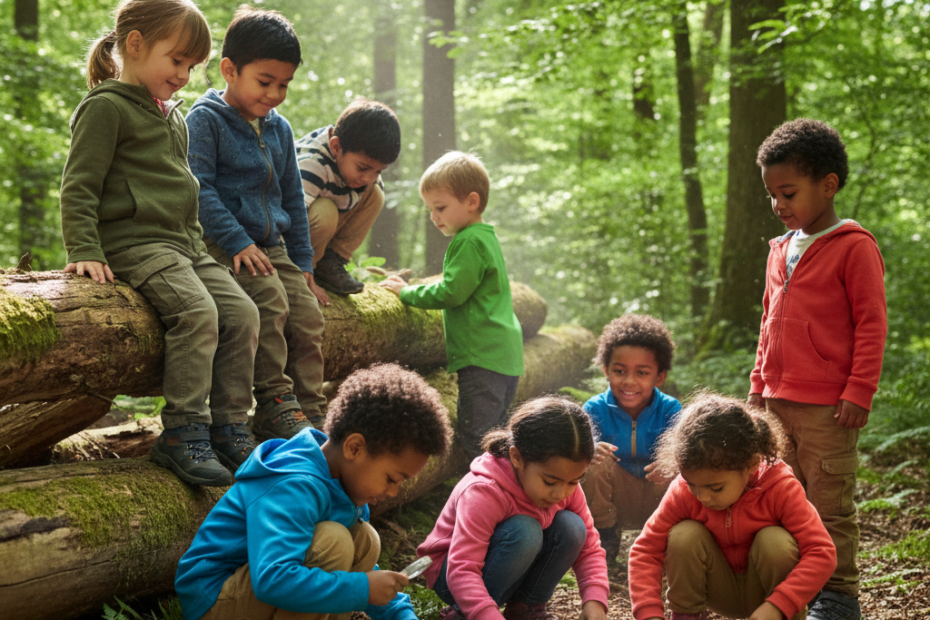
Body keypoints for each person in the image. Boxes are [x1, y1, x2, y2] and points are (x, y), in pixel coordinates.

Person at [60, 0, 260, 486]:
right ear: (135, 44)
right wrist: (84, 248)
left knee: (243, 314)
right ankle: (183, 432)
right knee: (197, 314)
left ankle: (230, 425)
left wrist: (198, 248)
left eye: (192, 66)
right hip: (135, 243)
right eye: (176, 61)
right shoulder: (106, 107)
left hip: (184, 246)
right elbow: (79, 184)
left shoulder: (173, 115)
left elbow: (183, 190)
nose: (184, 75)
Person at [175, 363, 453, 620]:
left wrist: (398, 613)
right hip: (213, 598)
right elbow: (273, 580)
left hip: (254, 587)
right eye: (392, 478)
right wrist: (362, 589)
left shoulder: (343, 483)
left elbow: (365, 575)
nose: (392, 492)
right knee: (334, 542)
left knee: (364, 540)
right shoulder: (293, 485)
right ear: (354, 448)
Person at [750, 119, 887, 620]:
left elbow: (871, 325)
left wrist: (859, 390)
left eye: (788, 192)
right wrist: (758, 387)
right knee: (783, 497)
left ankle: (838, 595)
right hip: (778, 401)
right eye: (771, 194)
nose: (778, 205)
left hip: (830, 407)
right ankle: (793, 588)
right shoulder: (779, 250)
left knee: (829, 503)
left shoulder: (854, 247)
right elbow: (768, 322)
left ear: (827, 185)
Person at [185, 7, 327, 439]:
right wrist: (236, 241)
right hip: (224, 245)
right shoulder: (204, 120)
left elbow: (292, 201)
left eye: (283, 84)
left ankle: (311, 408)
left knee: (307, 315)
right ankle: (273, 400)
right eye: (265, 82)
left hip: (274, 246)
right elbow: (198, 188)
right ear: (229, 70)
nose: (275, 94)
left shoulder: (279, 129)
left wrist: (304, 264)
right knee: (268, 300)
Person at [629, 393, 837, 620]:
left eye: (715, 488)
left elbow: (822, 552)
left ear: (751, 464)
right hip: (718, 589)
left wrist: (778, 606)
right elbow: (646, 550)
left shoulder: (780, 487)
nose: (702, 497)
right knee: (683, 534)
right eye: (692, 484)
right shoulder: (684, 491)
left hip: (772, 600)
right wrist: (649, 613)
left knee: (774, 541)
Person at [381, 152, 524, 461]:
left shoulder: (468, 240)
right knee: (497, 438)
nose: (434, 217)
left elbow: (451, 292)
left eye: (440, 207)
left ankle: (486, 505)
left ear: (472, 201)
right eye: (430, 209)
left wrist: (407, 294)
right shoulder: (486, 237)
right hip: (504, 354)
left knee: (479, 442)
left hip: (483, 356)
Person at [416, 396, 610, 620]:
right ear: (517, 457)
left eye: (574, 481)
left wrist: (595, 601)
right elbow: (462, 569)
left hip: (510, 567)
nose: (561, 493)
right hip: (452, 576)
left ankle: (526, 609)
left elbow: (590, 549)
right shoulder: (484, 491)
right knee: (524, 530)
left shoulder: (565, 485)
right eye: (549, 482)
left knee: (572, 526)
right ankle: (464, 613)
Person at [580, 314, 681, 567]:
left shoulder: (670, 409)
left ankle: (669, 544)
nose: (629, 381)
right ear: (606, 371)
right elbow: (579, 451)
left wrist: (671, 463)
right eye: (619, 371)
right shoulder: (594, 408)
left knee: (678, 466)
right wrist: (590, 451)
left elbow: (684, 454)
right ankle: (604, 541)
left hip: (658, 497)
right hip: (614, 499)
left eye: (642, 373)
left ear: (659, 377)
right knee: (593, 459)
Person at [295, 98, 401, 302]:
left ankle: (329, 263)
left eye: (378, 170)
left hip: (319, 234)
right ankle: (301, 273)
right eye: (363, 168)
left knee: (375, 193)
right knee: (326, 211)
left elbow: (368, 181)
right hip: (288, 237)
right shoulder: (312, 165)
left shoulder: (361, 170)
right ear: (336, 147)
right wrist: (302, 267)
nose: (369, 177)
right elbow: (288, 221)